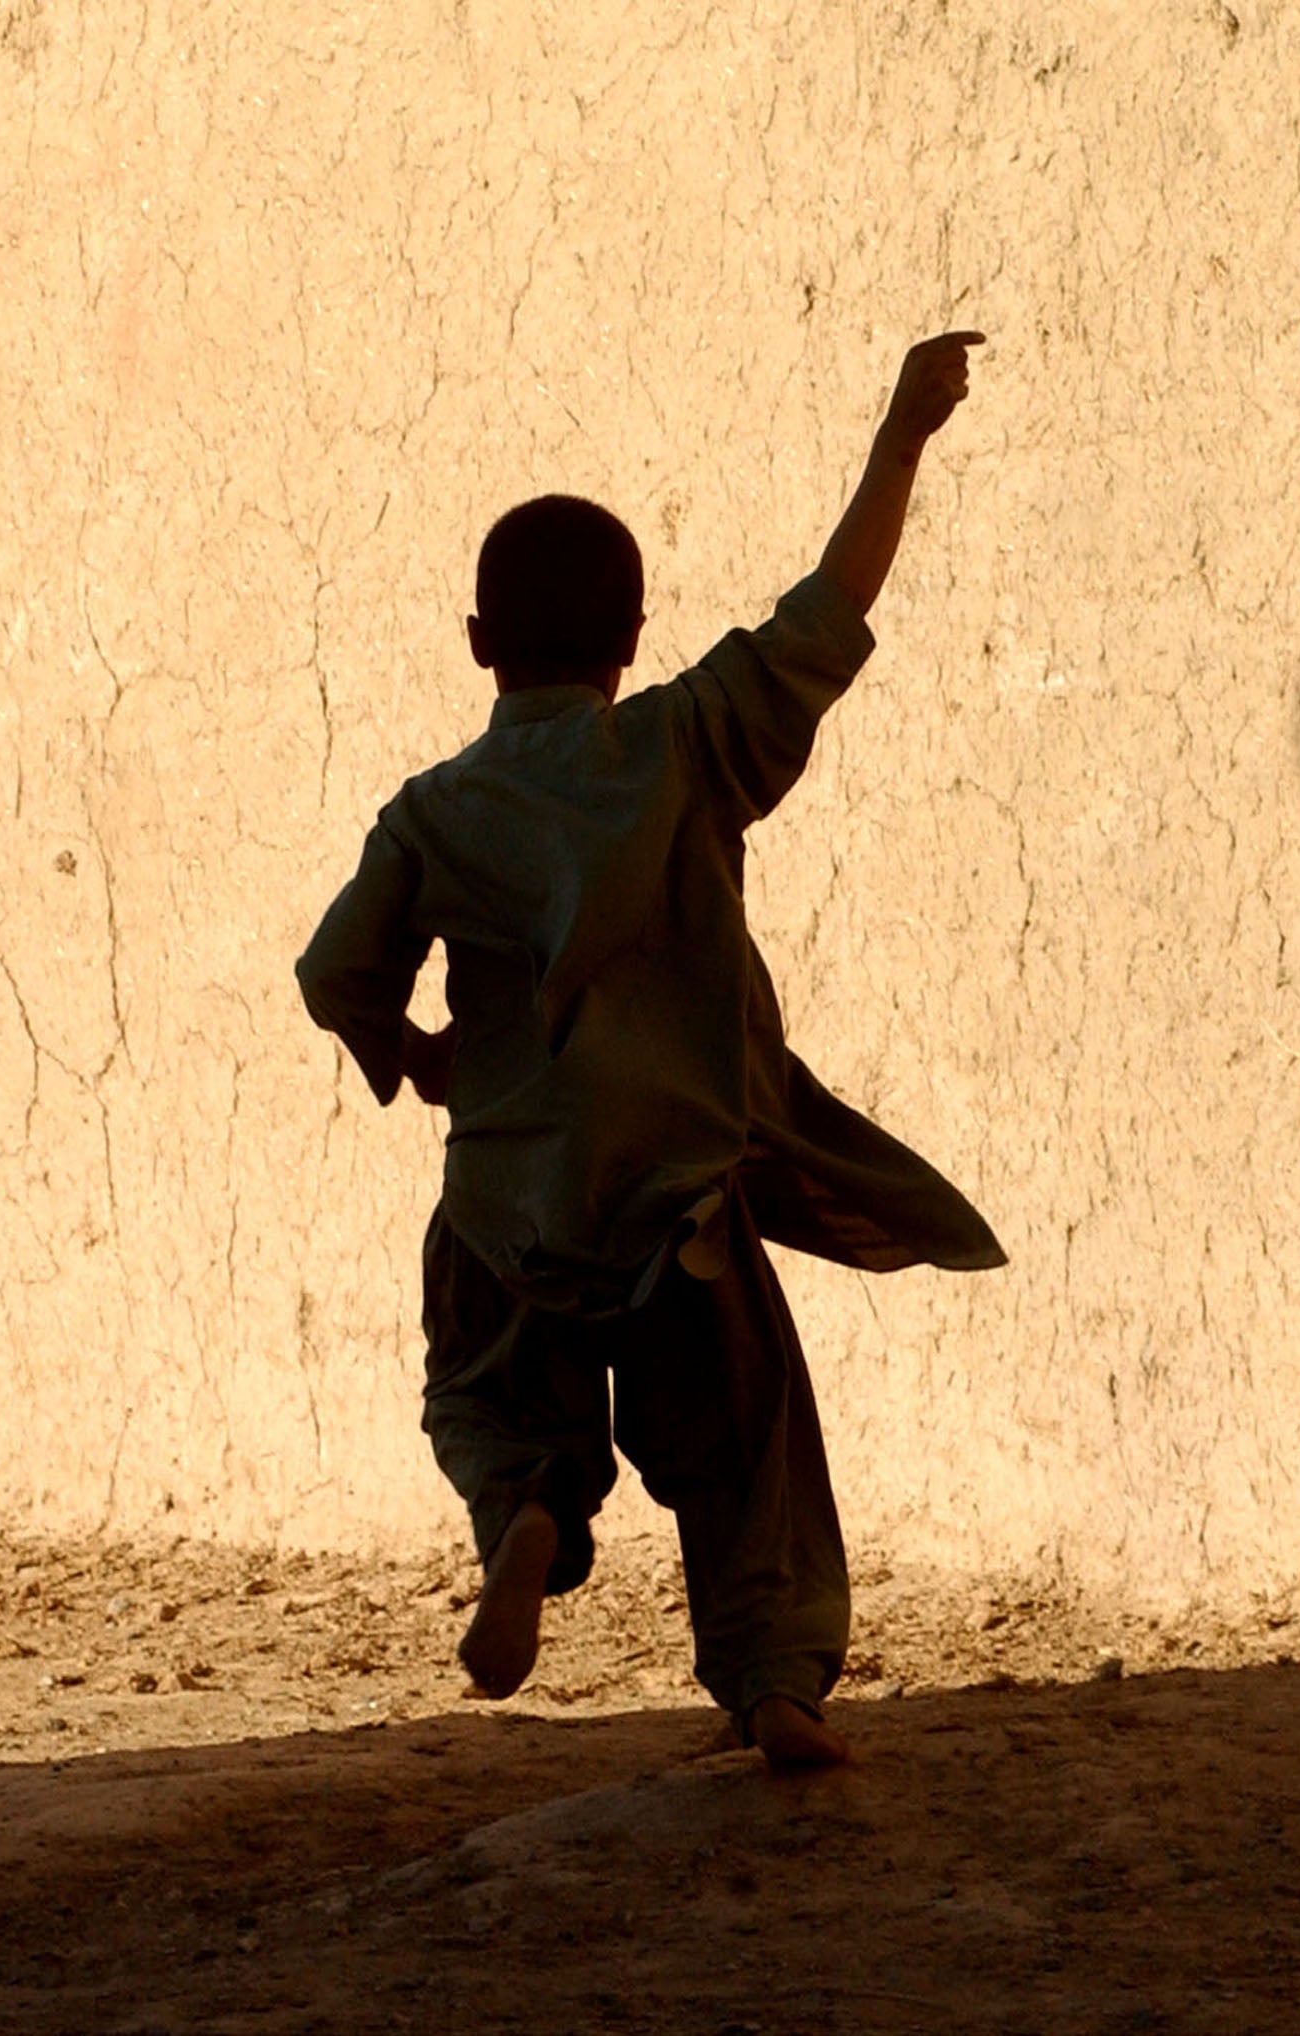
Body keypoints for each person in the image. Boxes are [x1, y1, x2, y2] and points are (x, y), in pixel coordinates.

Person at [297, 332, 1006, 1768]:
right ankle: (775, 1683)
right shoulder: (681, 748)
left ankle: (528, 1520)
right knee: (749, 1460)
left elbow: (334, 972)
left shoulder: (431, 812)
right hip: (678, 1206)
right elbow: (825, 614)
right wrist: (903, 433)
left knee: (488, 1400)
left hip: (505, 1214)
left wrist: (418, 1052)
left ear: (480, 643)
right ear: (631, 642)